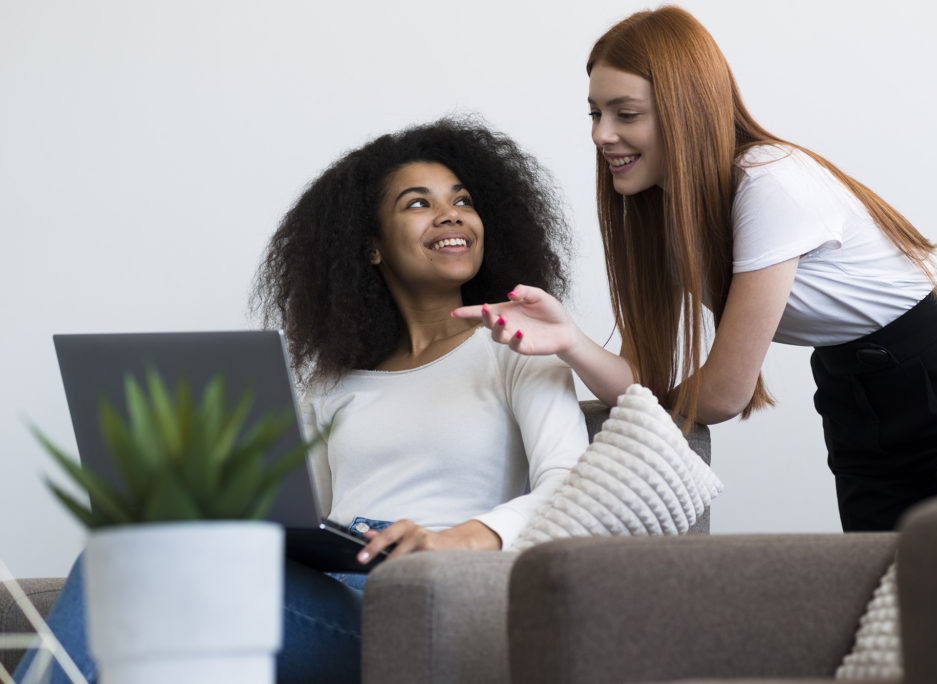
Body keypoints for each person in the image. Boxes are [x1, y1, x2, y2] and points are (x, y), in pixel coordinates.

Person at [16, 118, 589, 683]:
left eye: (461, 200)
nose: (450, 214)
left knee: (122, 575)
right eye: (418, 204)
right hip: (335, 587)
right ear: (371, 250)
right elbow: (300, 520)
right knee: (133, 563)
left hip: (427, 599)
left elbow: (572, 484)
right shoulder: (333, 382)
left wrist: (461, 536)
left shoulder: (518, 346)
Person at [454, 6, 937, 533]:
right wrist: (569, 341)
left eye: (625, 114)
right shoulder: (665, 214)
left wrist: (655, 399)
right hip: (856, 397)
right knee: (892, 606)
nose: (602, 134)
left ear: (687, 110)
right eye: (595, 113)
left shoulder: (768, 182)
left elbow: (723, 394)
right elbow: (647, 387)